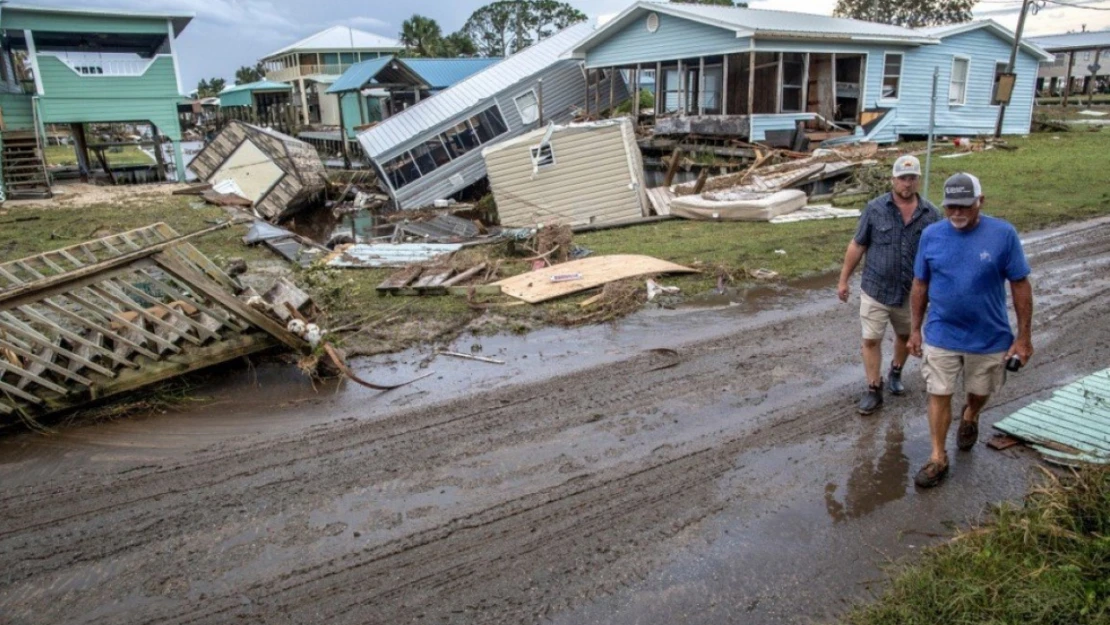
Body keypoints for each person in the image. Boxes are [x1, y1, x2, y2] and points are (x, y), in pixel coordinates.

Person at [907, 172, 1034, 488]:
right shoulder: (931, 235)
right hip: (941, 334)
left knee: (979, 393)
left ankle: (971, 415)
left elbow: (1020, 284)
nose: (957, 213)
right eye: (951, 206)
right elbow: (920, 284)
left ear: (981, 201)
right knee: (938, 392)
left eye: (964, 206)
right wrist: (915, 330)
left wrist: (1023, 337)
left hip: (989, 337)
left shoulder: (1003, 234)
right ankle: (938, 456)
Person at [838, 155, 941, 415]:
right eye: (902, 178)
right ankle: (874, 389)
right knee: (871, 339)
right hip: (876, 289)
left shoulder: (931, 214)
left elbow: (940, 254)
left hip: (911, 293)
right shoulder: (875, 208)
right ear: (893, 179)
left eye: (912, 178)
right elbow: (858, 244)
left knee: (906, 336)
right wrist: (843, 280)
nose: (907, 183)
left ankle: (896, 370)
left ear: (918, 180)